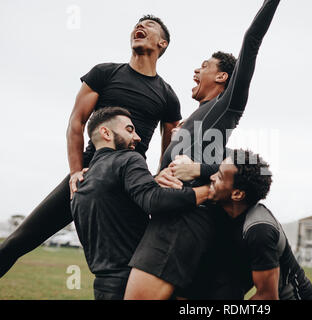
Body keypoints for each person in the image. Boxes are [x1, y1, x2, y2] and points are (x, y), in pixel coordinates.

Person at [0, 15, 182, 277]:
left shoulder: (167, 95)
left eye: (149, 26)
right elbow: (76, 122)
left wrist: (154, 180)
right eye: (137, 25)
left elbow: (171, 147)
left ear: (162, 43)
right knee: (19, 241)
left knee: (144, 265)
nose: (139, 27)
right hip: (89, 171)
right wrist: (75, 171)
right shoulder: (105, 73)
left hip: (130, 179)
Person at [124, 0, 282, 300]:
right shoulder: (195, 123)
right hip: (172, 215)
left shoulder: (226, 108)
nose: (196, 70)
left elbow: (251, 42)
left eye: (205, 66)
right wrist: (160, 178)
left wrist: (196, 170)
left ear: (223, 77)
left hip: (186, 219)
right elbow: (220, 162)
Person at [71, 107, 210, 300]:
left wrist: (152, 180)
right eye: (129, 130)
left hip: (103, 286)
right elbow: (154, 201)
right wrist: (209, 192)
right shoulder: (128, 159)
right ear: (106, 132)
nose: (137, 137)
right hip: (135, 283)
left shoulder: (80, 182)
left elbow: (118, 206)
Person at [206, 149, 312, 300]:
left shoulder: (259, 230)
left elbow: (267, 297)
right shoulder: (231, 212)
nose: (211, 177)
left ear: (237, 194)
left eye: (220, 176)